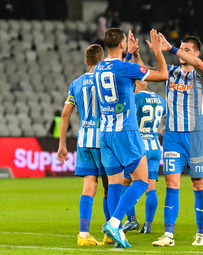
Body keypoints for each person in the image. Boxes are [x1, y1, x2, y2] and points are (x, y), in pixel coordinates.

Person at [95, 28, 168, 248]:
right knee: (142, 180)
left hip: (105, 133)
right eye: (125, 42)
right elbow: (163, 74)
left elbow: (118, 71)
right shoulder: (127, 68)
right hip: (126, 132)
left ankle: (117, 234)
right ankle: (115, 223)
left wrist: (130, 56)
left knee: (115, 184)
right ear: (121, 45)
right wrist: (157, 52)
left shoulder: (99, 67)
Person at [151, 35, 203, 247]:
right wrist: (136, 54)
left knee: (198, 184)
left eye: (187, 49)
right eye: (181, 48)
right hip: (173, 136)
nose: (182, 52)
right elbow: (145, 73)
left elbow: (200, 65)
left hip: (195, 136)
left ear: (196, 53)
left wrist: (173, 48)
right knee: (171, 184)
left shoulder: (201, 73)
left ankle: (200, 233)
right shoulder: (171, 73)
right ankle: (168, 234)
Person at [57, 44, 110, 246]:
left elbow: (65, 115)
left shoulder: (76, 83)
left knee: (89, 187)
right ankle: (110, 232)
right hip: (104, 140)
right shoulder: (107, 80)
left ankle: (84, 235)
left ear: (87, 62)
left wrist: (62, 144)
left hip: (84, 139)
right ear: (103, 60)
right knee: (109, 187)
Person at [121, 80, 166, 234]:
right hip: (154, 147)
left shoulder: (135, 99)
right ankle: (148, 225)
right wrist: (159, 134)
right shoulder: (160, 99)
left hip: (139, 148)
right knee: (151, 188)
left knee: (124, 182)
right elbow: (171, 120)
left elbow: (127, 121)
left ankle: (131, 219)